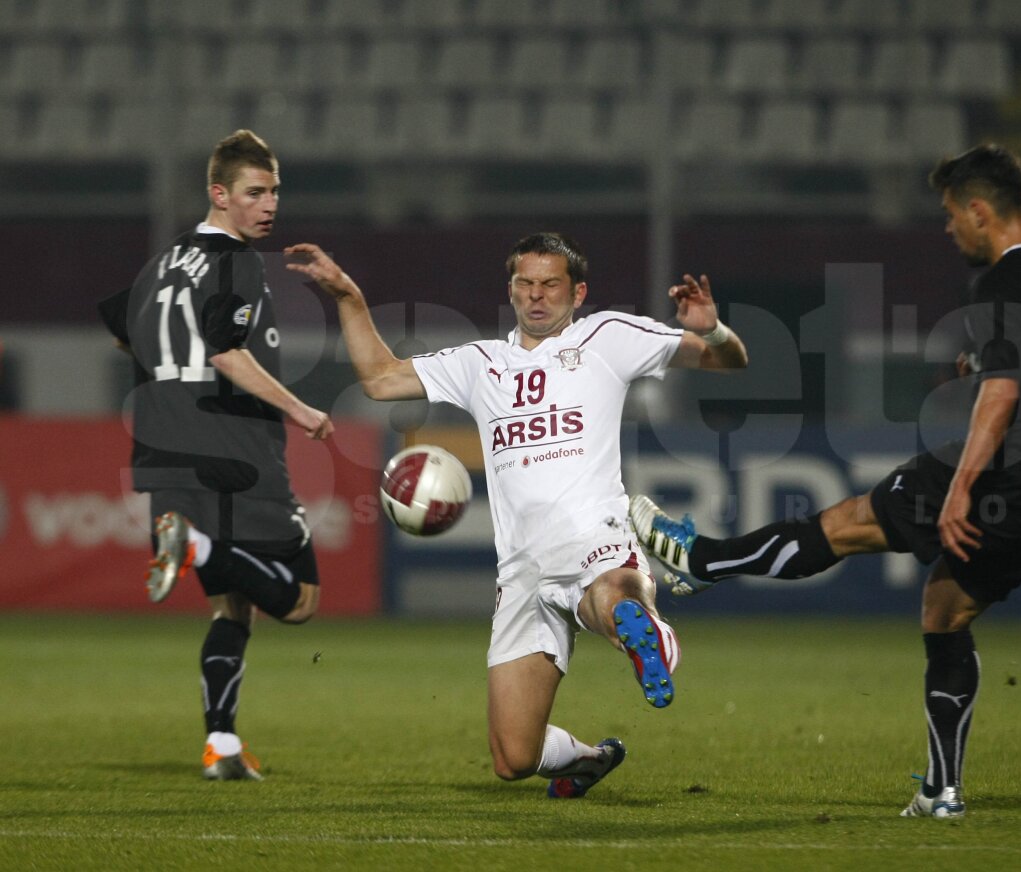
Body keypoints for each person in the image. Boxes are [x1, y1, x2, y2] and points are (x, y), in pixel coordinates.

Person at [631, 144, 1021, 818]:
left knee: (848, 523)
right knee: (945, 610)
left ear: (980, 210)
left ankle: (705, 559)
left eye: (951, 216)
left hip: (1011, 465)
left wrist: (966, 485)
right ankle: (942, 792)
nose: (948, 229)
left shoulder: (1003, 280)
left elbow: (1002, 396)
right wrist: (988, 360)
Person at [284, 232, 748, 798]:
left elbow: (727, 361)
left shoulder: (608, 337)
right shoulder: (482, 364)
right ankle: (589, 758)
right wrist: (348, 296)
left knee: (614, 597)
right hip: (522, 572)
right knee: (513, 757)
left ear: (578, 292)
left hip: (592, 537)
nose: (536, 296)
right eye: (525, 284)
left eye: (550, 284)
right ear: (511, 290)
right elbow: (381, 379)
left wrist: (713, 329)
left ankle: (645, 635)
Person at [98, 130, 334, 781]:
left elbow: (126, 332)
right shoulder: (237, 264)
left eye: (275, 191)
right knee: (303, 599)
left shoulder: (163, 263)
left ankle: (222, 748)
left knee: (232, 606)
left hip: (164, 452)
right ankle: (195, 547)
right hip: (237, 450)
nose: (269, 204)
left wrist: (171, 382)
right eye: (255, 192)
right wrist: (303, 409)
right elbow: (229, 353)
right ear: (219, 194)